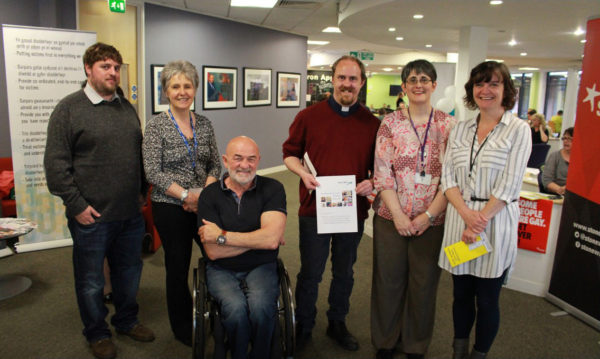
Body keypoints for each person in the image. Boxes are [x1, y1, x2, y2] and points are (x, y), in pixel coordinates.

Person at [44, 42, 155, 359]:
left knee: (129, 274)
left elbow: (138, 155)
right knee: (92, 282)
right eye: (105, 66)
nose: (113, 72)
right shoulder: (69, 109)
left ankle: (126, 320)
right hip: (91, 218)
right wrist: (76, 205)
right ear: (88, 69)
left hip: (130, 214)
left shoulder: (126, 107)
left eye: (116, 67)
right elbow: (55, 166)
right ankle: (97, 333)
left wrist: (141, 193)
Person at [282, 55, 380, 351]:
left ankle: (337, 322)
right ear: (333, 79)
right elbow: (289, 154)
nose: (346, 84)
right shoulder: (308, 116)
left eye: (353, 79)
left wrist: (373, 182)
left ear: (361, 83)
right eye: (341, 77)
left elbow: (382, 167)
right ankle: (304, 325)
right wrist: (302, 173)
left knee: (345, 272)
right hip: (314, 208)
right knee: (311, 272)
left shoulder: (373, 123)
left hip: (352, 211)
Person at [438, 61, 531, 359]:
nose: (485, 90)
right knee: (461, 295)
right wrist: (466, 215)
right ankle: (459, 349)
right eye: (479, 84)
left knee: (488, 299)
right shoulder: (461, 129)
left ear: (506, 90)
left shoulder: (519, 130)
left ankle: (479, 354)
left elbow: (509, 184)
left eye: (493, 84)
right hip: (459, 219)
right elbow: (448, 176)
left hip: (495, 222)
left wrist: (478, 220)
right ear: (471, 90)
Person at [371, 59, 456, 359]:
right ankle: (385, 342)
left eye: (424, 79)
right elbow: (382, 173)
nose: (418, 84)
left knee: (424, 285)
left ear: (434, 85)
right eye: (412, 79)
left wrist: (428, 215)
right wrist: (398, 216)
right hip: (390, 217)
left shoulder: (449, 125)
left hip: (431, 221)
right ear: (404, 87)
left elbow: (452, 180)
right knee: (388, 282)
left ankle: (415, 345)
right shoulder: (390, 123)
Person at [142, 60, 221, 346]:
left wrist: (204, 195)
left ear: (195, 89)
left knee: (217, 254)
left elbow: (216, 164)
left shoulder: (206, 124)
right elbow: (153, 171)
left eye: (187, 86)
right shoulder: (156, 127)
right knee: (178, 265)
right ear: (165, 92)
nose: (182, 91)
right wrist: (187, 195)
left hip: (205, 203)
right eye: (175, 86)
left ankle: (219, 309)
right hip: (170, 205)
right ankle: (183, 326)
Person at [197, 136, 287, 359]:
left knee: (261, 308)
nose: (245, 165)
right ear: (225, 160)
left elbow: (271, 241)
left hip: (262, 265)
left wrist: (222, 236)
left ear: (259, 160)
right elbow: (213, 251)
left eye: (251, 159)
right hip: (220, 268)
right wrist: (261, 239)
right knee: (235, 311)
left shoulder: (274, 189)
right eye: (238, 158)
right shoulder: (209, 195)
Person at [542, 127, 574, 195]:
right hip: (557, 193)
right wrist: (560, 189)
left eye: (570, 139)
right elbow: (547, 180)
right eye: (564, 138)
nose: (565, 141)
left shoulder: (581, 160)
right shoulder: (555, 156)